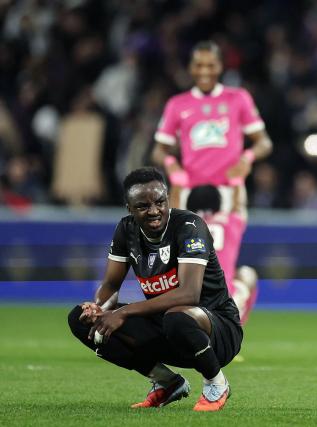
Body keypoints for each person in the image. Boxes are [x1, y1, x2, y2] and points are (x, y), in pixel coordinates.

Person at [67, 167, 242, 411]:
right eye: (142, 206)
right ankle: (167, 382)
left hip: (218, 331)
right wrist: (100, 307)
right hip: (168, 327)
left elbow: (189, 294)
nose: (154, 211)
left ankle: (216, 383)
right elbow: (110, 285)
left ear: (168, 199)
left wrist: (124, 312)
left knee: (178, 316)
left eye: (160, 202)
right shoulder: (126, 230)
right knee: (81, 319)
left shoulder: (190, 226)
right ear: (129, 208)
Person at [151, 39, 272, 211]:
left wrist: (247, 159)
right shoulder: (177, 104)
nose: (204, 71)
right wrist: (171, 163)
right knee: (189, 238)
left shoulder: (238, 98)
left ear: (220, 66)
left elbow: (264, 143)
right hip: (189, 193)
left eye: (210, 65)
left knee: (226, 238)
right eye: (199, 65)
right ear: (190, 67)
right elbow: (158, 151)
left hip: (230, 192)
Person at [186, 184, 258, 325]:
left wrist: (176, 181)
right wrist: (237, 180)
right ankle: (236, 325)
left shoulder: (182, 224)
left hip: (188, 302)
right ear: (219, 203)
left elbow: (173, 206)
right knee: (247, 274)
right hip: (224, 301)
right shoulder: (230, 221)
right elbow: (238, 206)